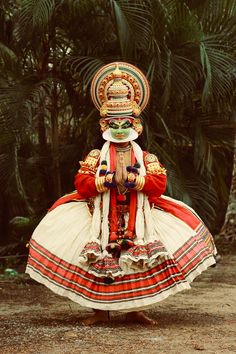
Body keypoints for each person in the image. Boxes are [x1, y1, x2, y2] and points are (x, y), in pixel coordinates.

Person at [26, 62, 217, 325]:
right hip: (100, 218)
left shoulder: (146, 156)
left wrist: (136, 180)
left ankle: (135, 309)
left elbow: (159, 184)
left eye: (124, 122)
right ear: (104, 123)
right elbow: (82, 183)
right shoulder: (96, 155)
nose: (118, 127)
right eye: (113, 122)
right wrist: (104, 181)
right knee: (96, 262)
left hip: (139, 218)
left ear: (135, 125)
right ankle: (99, 311)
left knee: (139, 264)